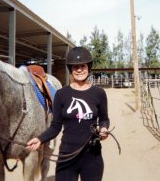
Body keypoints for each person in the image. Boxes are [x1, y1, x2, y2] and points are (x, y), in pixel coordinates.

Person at [27, 46, 110, 181]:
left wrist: (104, 128)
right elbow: (55, 126)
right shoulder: (61, 94)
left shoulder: (99, 93)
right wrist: (40, 139)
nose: (79, 70)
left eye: (82, 66)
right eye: (75, 67)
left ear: (89, 67)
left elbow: (104, 118)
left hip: (92, 155)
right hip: (67, 156)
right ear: (70, 69)